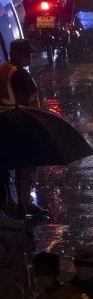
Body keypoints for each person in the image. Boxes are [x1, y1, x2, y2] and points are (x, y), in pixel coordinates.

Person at [0, 39, 46, 215]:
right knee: (27, 162)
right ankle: (24, 203)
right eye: (27, 54)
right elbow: (27, 103)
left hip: (4, 124)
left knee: (6, 165)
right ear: (17, 54)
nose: (30, 58)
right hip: (16, 123)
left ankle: (8, 203)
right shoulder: (20, 74)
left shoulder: (4, 69)